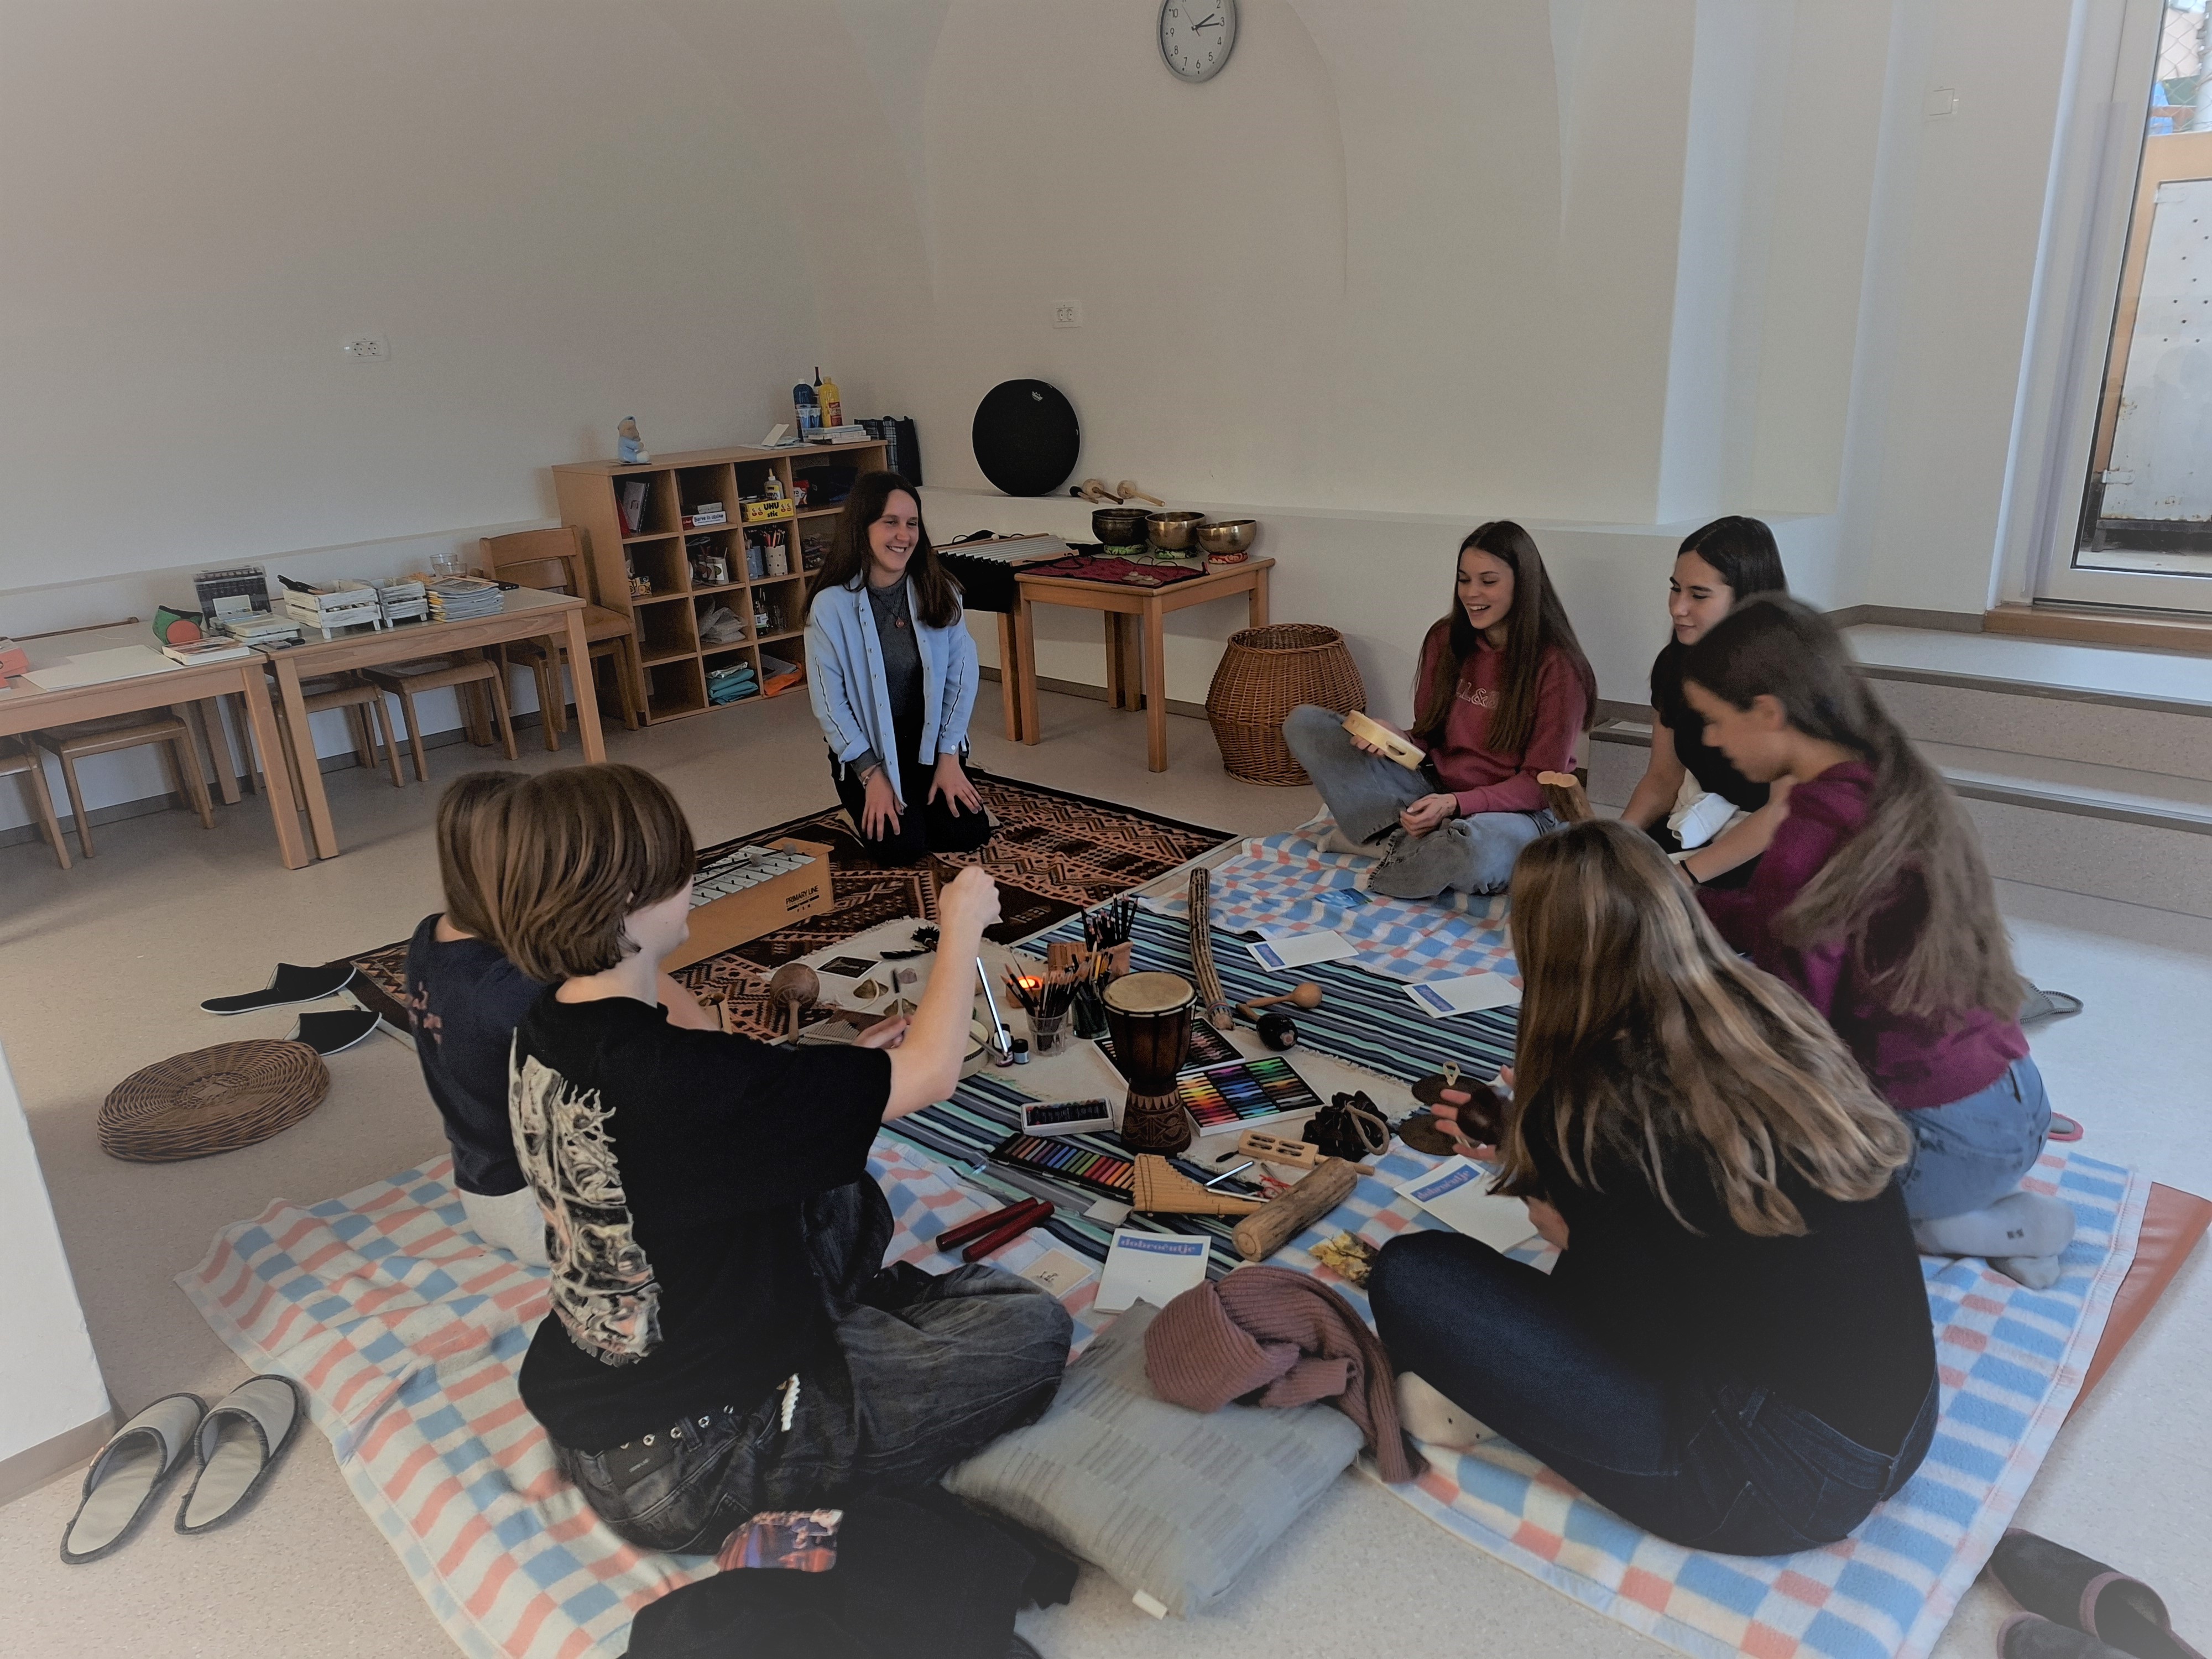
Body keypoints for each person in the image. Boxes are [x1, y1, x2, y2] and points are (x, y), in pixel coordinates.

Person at [494, 764, 1068, 1552]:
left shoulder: (546, 1023)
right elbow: (933, 1073)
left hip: (608, 1397)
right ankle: (839, 1364)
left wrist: (836, 1077)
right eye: (682, 866)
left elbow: (708, 1105)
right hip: (696, 1463)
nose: (694, 881)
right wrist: (961, 925)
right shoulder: (687, 1081)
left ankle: (850, 1342)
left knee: (838, 1183)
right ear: (629, 897)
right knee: (1030, 1328)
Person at [1368, 819, 1938, 1556]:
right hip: (1903, 1425)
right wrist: (1536, 1153)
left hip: (1781, 1481)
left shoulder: (1597, 1101)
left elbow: (1628, 1336)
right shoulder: (1767, 1012)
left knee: (1413, 1275)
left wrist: (1569, 1233)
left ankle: (1492, 1407)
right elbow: (1701, 1214)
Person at [1680, 596, 2075, 1287]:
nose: (1711, 741)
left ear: (1767, 712)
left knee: (1751, 1187)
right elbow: (1788, 922)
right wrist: (1693, 907)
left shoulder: (1807, 841)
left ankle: (1975, 1225)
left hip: (1945, 1143)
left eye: (1714, 720)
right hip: (2016, 1100)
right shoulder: (1888, 783)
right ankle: (1966, 1206)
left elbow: (1790, 1041)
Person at [403, 771, 717, 1265]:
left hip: (483, 1187)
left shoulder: (429, 940)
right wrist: (635, 943)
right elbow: (699, 1041)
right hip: (550, 1215)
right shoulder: (521, 992)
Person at [1280, 520, 1596, 900]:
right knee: (1306, 724)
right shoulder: (1445, 638)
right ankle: (1426, 847)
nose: (1472, 593)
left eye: (1488, 581)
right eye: (1464, 580)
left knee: (1476, 852)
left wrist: (1456, 805)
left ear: (1523, 585)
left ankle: (1386, 846)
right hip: (1434, 790)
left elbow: (1539, 786)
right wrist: (1395, 738)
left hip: (1515, 812)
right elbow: (1428, 737)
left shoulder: (1559, 667)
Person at [804, 471, 990, 864]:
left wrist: (949, 756)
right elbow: (830, 706)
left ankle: (924, 796)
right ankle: (862, 801)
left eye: (912, 523)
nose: (903, 536)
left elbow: (961, 680)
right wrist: (871, 775)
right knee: (901, 849)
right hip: (868, 748)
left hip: (928, 741)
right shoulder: (830, 606)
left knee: (967, 833)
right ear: (863, 528)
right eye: (890, 522)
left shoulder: (940, 589)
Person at [1617, 516, 1793, 888]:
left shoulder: (1789, 679)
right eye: (1675, 589)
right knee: (1614, 882)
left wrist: (1686, 875)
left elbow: (1781, 811)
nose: (1677, 608)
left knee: (1672, 907)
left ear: (1746, 600)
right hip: (1704, 824)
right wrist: (1615, 842)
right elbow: (1663, 778)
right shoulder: (1674, 664)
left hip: (1770, 843)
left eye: (1698, 595)